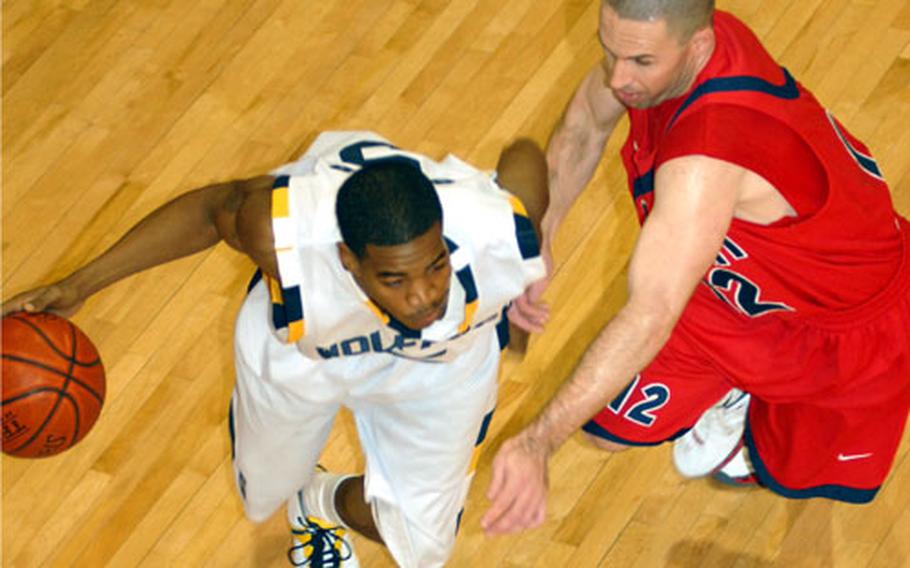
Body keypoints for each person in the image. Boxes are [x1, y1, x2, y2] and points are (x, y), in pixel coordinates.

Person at [3, 130, 547, 566]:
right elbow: (208, 211)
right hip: (304, 353)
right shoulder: (281, 232)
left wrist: (527, 276)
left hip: (438, 368)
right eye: (395, 279)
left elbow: (524, 158)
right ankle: (294, 488)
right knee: (263, 494)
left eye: (434, 267)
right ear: (347, 259)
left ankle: (319, 501)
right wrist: (79, 286)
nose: (425, 295)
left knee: (423, 549)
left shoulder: (490, 232)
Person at [483, 0, 910, 535]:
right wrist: (542, 236)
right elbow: (586, 124)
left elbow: (652, 313)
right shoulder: (675, 44)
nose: (618, 77)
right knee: (602, 429)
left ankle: (741, 399)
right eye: (609, 51)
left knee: (795, 477)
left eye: (639, 62)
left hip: (835, 328)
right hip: (723, 289)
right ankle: (728, 387)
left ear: (699, 46)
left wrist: (536, 441)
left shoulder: (708, 154)